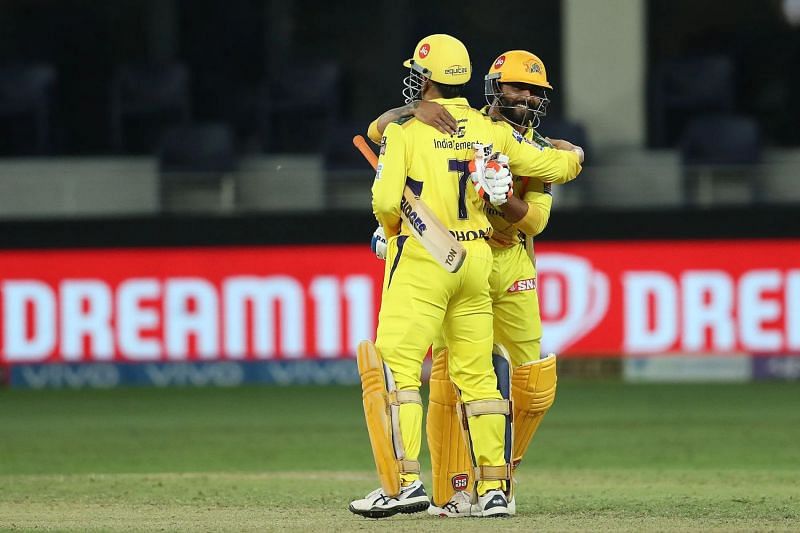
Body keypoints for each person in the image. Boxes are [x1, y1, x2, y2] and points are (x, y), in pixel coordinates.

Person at [350, 35, 582, 520]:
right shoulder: (484, 129)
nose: (528, 98)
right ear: (489, 86)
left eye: (535, 91)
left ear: (427, 75)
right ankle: (483, 488)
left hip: (432, 258)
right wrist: (574, 157)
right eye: (518, 88)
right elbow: (554, 165)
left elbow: (387, 202)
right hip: (474, 260)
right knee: (474, 379)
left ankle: (403, 484)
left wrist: (390, 232)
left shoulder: (412, 132)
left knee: (396, 369)